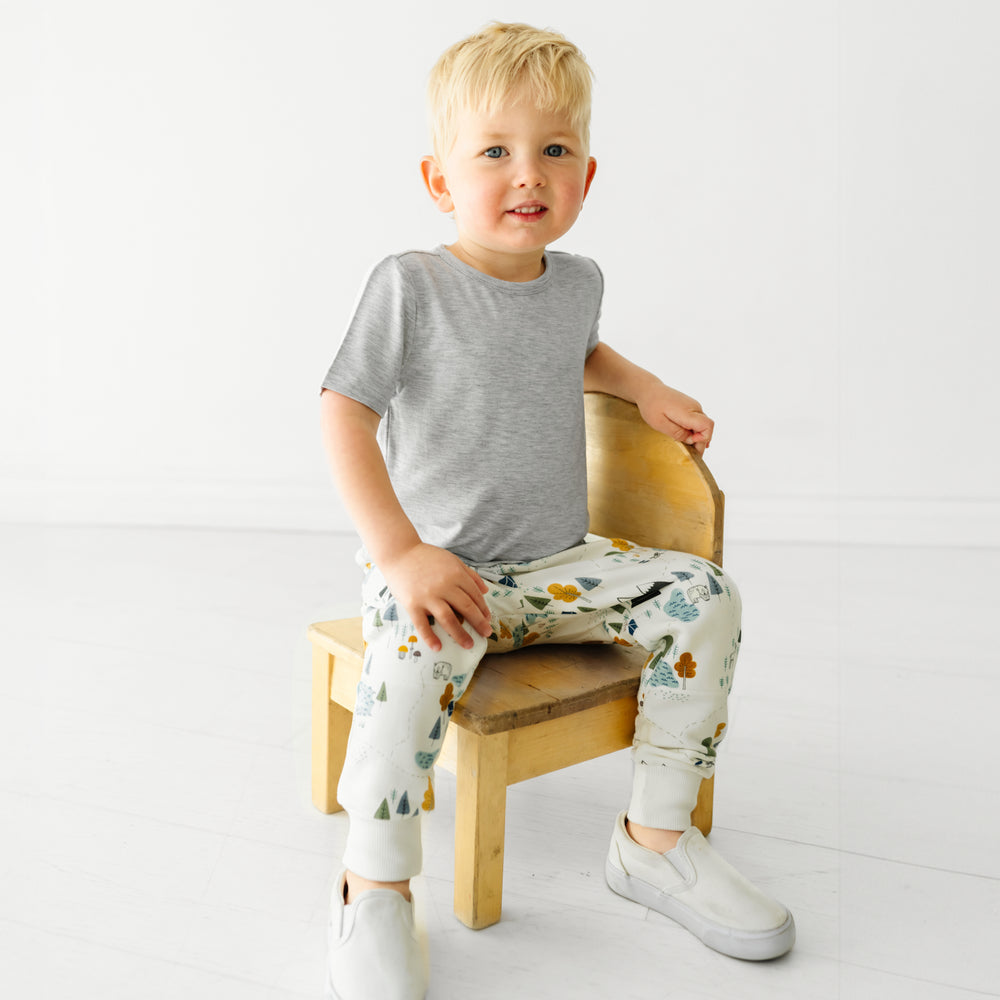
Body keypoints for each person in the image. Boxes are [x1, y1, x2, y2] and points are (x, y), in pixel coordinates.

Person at [318, 22, 794, 999]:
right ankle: (372, 883)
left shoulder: (575, 283)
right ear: (439, 178)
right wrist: (399, 552)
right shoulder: (411, 285)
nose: (525, 172)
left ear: (585, 176)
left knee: (703, 593)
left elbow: (575, 350)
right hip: (443, 571)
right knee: (407, 662)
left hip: (555, 566)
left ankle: (654, 840)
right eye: (493, 150)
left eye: (553, 150)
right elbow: (342, 411)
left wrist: (643, 385)